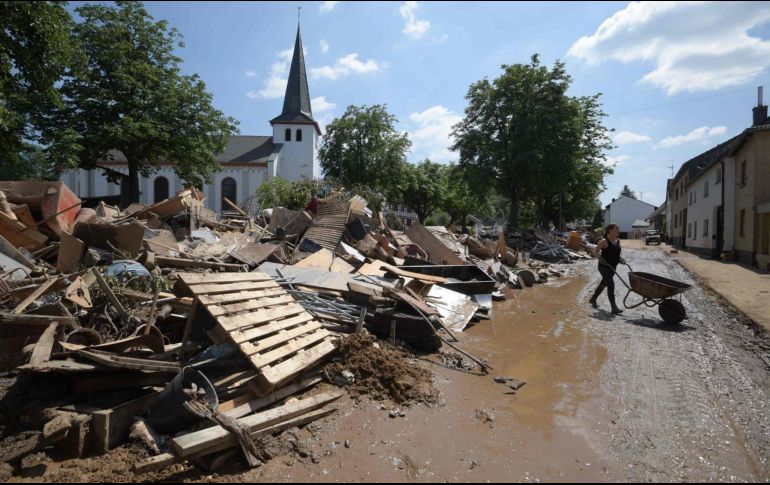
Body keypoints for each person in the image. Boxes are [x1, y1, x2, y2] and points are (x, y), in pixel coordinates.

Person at [589, 223, 625, 315]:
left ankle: (593, 298)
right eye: (616, 229)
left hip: (613, 267)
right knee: (611, 285)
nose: (618, 230)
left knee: (604, 284)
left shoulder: (618, 241)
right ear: (610, 230)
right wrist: (601, 258)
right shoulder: (604, 241)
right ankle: (614, 308)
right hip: (604, 267)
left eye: (618, 229)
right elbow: (595, 252)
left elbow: (616, 254)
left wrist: (620, 259)